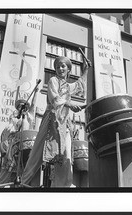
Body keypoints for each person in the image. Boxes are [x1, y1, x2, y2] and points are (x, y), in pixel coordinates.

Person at [21, 56, 90, 187]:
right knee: (37, 153)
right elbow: (55, 98)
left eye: (63, 66)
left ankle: (63, 185)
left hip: (64, 123)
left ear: (69, 69)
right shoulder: (53, 80)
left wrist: (86, 70)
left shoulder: (68, 86)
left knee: (65, 154)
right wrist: (70, 105)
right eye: (58, 66)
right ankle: (24, 182)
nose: (60, 69)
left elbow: (80, 85)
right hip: (51, 121)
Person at [0, 87, 39, 186]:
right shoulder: (14, 119)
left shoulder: (29, 116)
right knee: (10, 168)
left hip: (26, 145)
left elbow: (33, 105)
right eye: (20, 107)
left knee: (24, 168)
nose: (22, 108)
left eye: (24, 107)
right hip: (15, 145)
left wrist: (36, 92)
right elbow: (10, 131)